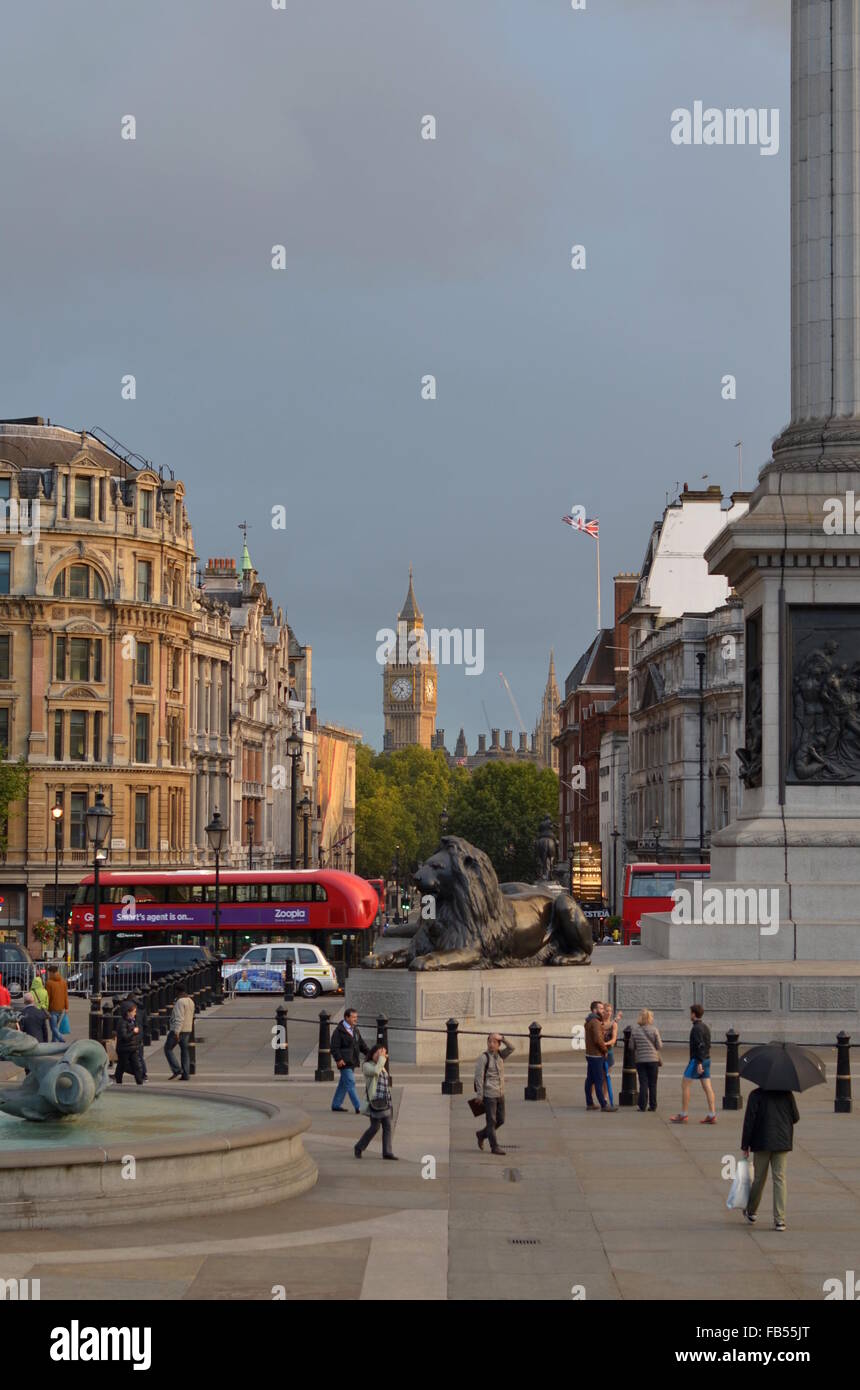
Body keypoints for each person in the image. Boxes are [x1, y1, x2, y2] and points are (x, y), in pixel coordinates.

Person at [740, 1087, 799, 1231]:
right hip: (782, 1141)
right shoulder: (787, 1093)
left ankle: (752, 1211)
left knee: (759, 1178)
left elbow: (749, 1121)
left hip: (762, 1141)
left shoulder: (755, 1095)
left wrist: (745, 1144)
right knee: (780, 1178)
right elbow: (795, 1117)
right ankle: (780, 1219)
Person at [671, 1003, 717, 1124]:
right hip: (707, 1059)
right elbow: (707, 1044)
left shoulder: (696, 1028)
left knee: (685, 1085)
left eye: (690, 1013)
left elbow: (700, 1045)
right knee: (707, 1087)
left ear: (693, 1014)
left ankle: (684, 1114)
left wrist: (699, 1062)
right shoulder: (706, 1027)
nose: (689, 1015)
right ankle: (712, 1113)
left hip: (697, 1060)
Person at [354, 1046, 398, 1159]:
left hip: (385, 1100)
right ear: (372, 1053)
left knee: (387, 1126)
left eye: (382, 1053)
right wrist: (382, 1059)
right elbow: (375, 1071)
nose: (380, 1055)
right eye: (378, 1053)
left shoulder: (381, 1065)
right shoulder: (367, 1066)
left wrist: (381, 1060)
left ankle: (387, 1152)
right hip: (375, 1101)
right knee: (375, 1127)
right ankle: (359, 1146)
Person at [474, 1032, 515, 1154]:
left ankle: (481, 1134)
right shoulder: (483, 1058)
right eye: (489, 1042)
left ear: (498, 1045)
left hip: (500, 1093)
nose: (491, 1044)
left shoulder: (501, 1055)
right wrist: (480, 1095)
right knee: (491, 1122)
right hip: (489, 1095)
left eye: (494, 1042)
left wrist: (502, 1038)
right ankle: (494, 1146)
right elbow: (478, 1077)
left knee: (501, 1120)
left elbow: (512, 1048)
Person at [330, 1007, 370, 1113]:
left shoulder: (355, 1030)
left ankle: (336, 1104)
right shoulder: (339, 1031)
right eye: (353, 1017)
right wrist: (338, 1059)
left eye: (356, 1017)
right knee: (350, 1082)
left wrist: (370, 1054)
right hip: (344, 1062)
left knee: (344, 1084)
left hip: (352, 1060)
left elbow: (361, 1044)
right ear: (346, 1017)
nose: (355, 1019)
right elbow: (334, 1047)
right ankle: (359, 1107)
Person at [629, 1008, 662, 1111]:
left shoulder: (635, 1031)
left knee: (643, 1083)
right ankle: (653, 1105)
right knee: (653, 1083)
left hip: (640, 1060)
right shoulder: (654, 1030)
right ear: (650, 1018)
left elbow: (631, 1046)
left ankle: (642, 1105)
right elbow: (659, 1046)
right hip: (653, 1060)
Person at [584, 1001, 614, 1111]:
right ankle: (604, 1105)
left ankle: (590, 1103)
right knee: (598, 1080)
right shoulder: (595, 1022)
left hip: (590, 1054)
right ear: (595, 1010)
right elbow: (598, 1039)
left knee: (590, 1079)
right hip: (596, 1055)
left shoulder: (589, 1021)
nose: (603, 1010)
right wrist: (604, 1050)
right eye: (601, 1008)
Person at [165, 986, 195, 1080]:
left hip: (178, 1030)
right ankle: (186, 1074)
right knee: (185, 1051)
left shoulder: (180, 1002)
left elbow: (179, 1018)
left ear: (177, 992)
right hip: (187, 1029)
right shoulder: (190, 1001)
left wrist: (176, 1032)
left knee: (168, 1049)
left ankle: (177, 1069)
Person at [114, 1000, 145, 1085]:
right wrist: (133, 1032)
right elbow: (124, 1036)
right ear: (128, 1012)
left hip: (133, 1048)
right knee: (122, 1066)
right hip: (124, 1049)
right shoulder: (122, 1022)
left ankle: (140, 1082)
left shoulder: (133, 1021)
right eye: (133, 1012)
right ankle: (118, 1081)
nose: (135, 1014)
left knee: (137, 1066)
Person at [601, 1002, 622, 1107]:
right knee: (595, 1077)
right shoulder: (599, 1022)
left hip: (608, 1052)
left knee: (606, 1076)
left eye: (610, 1011)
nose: (608, 1013)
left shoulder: (614, 1024)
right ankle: (591, 1098)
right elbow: (604, 1027)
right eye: (607, 1010)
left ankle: (604, 1097)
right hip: (598, 1053)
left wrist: (605, 1043)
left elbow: (613, 1039)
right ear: (603, 1011)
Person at [45, 966, 69, 1042]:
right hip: (61, 1008)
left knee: (53, 1028)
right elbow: (65, 995)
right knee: (55, 1027)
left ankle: (61, 1039)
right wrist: (66, 1007)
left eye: (49, 973)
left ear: (52, 973)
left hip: (52, 1008)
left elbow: (47, 997)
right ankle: (54, 1043)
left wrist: (46, 1008)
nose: (48, 975)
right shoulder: (63, 981)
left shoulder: (49, 983)